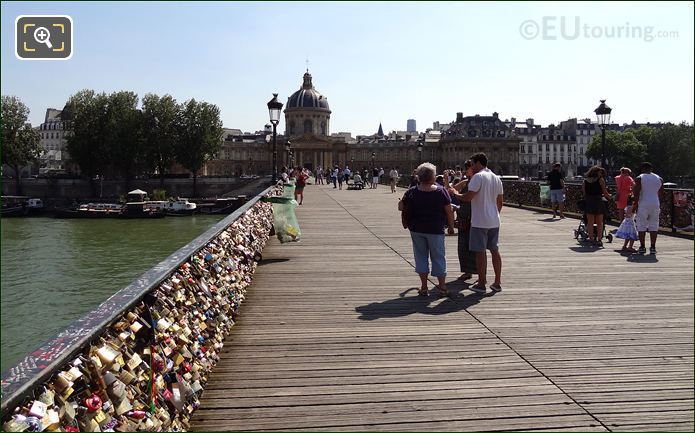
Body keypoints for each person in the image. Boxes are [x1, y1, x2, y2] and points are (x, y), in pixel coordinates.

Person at [401, 162, 456, 297]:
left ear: (419, 177)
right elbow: (449, 211)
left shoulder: (411, 191)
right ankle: (442, 287)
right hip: (435, 228)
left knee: (420, 257)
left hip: (416, 228)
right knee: (438, 257)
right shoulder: (440, 190)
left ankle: (424, 287)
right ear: (432, 177)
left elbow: (401, 207)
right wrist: (451, 226)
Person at [458, 153, 503, 293]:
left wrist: (454, 193)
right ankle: (497, 282)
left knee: (480, 252)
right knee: (494, 250)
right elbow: (500, 202)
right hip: (494, 220)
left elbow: (468, 197)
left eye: (472, 164)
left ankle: (481, 283)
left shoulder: (478, 177)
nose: (471, 166)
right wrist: (494, 214)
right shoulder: (496, 178)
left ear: (478, 163)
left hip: (479, 221)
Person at [444, 161, 477, 283]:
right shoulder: (466, 182)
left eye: (467, 169)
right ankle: (468, 271)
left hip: (473, 216)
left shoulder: (476, 182)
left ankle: (477, 272)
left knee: (473, 245)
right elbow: (450, 191)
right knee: (463, 246)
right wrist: (447, 181)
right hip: (463, 216)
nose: (465, 171)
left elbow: (457, 194)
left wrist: (457, 196)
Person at [632, 162, 664, 254]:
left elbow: (636, 193)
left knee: (641, 225)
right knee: (654, 225)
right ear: (651, 169)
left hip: (643, 203)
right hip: (655, 203)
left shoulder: (639, 178)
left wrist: (635, 205)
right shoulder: (659, 178)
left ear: (642, 169)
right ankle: (653, 247)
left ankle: (642, 246)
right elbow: (661, 192)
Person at [582, 165, 612, 247]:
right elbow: (605, 192)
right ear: (597, 173)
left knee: (590, 222)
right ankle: (599, 239)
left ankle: (591, 239)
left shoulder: (585, 181)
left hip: (589, 201)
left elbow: (584, 193)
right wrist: (610, 196)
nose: (601, 174)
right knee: (599, 222)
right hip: (598, 201)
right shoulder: (600, 180)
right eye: (600, 172)